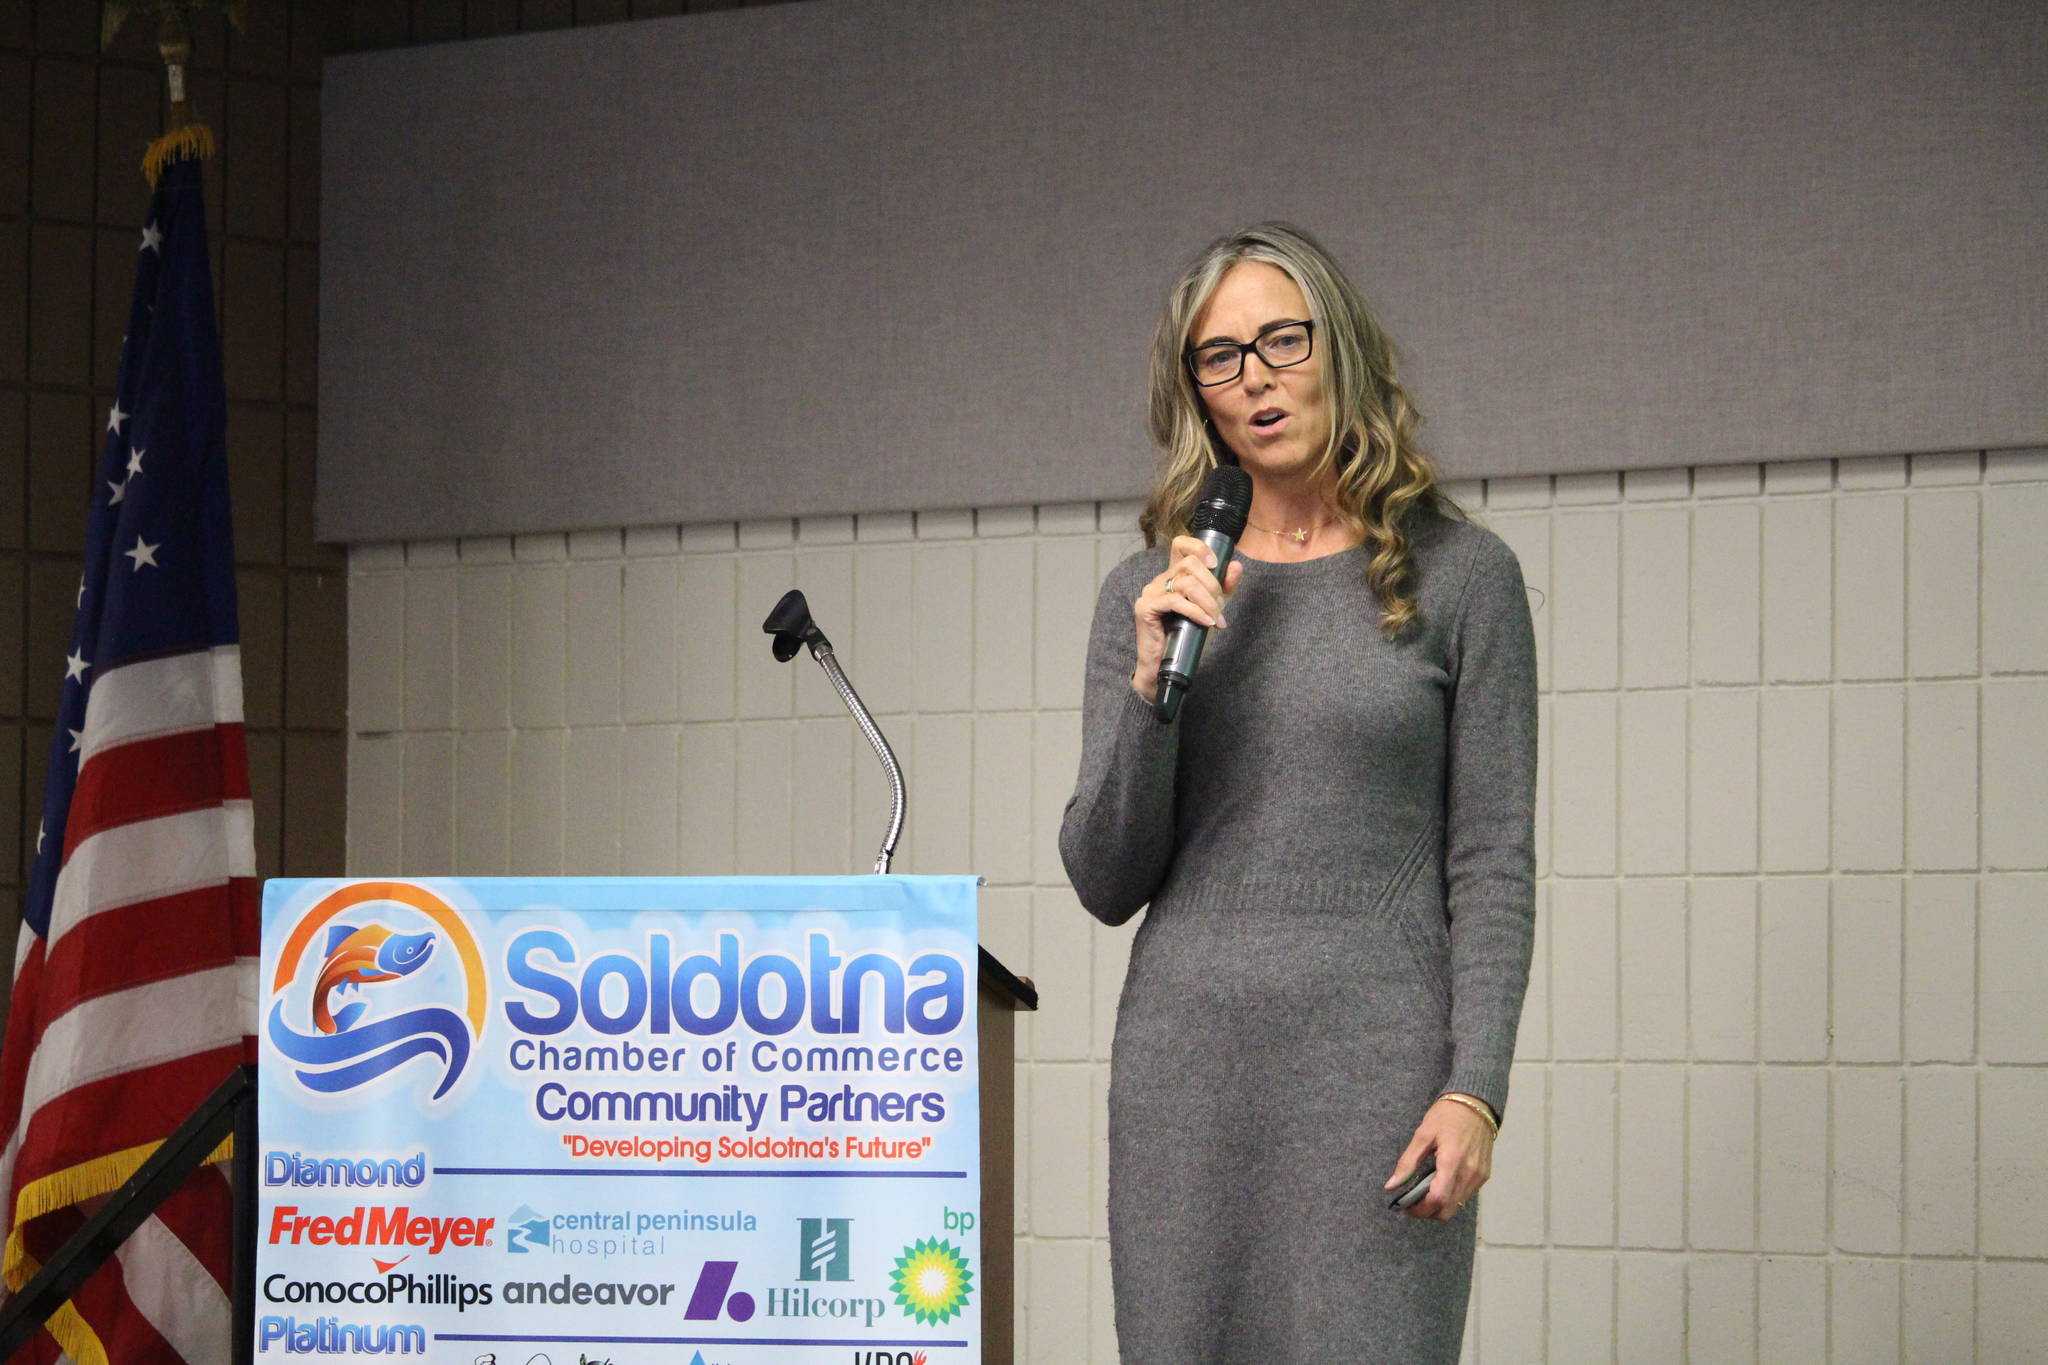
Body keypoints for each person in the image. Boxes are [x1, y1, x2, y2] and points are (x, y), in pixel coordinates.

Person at [1057, 222, 1537, 1362]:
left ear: (1344, 349)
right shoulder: (1151, 590)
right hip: (1187, 1073)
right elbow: (1103, 877)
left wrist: (1474, 1090)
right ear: (1195, 394)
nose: (1256, 377)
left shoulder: (1463, 577)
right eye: (1219, 357)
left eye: (1281, 338)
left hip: (1375, 1065)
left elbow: (1491, 860)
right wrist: (1148, 691)